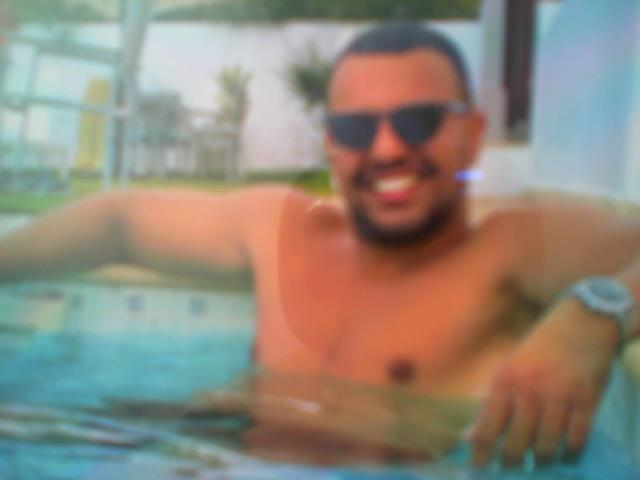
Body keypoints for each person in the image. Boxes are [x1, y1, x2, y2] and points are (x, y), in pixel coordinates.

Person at [1, 22, 639, 468]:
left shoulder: (511, 246)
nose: (386, 149)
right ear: (331, 146)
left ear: (471, 135)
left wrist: (595, 312)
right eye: (356, 129)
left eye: (418, 121)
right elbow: (119, 220)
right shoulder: (280, 227)